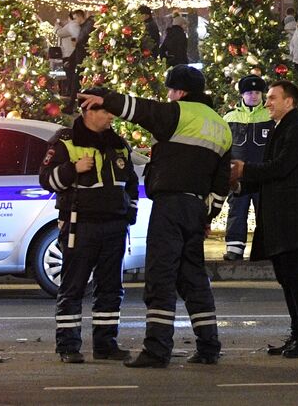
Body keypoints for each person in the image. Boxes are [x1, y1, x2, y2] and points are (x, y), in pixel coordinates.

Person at [78, 65, 232, 368]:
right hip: (194, 210)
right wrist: (207, 214)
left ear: (180, 91)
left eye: (171, 90)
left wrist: (104, 98)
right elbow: (222, 184)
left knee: (161, 277)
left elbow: (138, 109)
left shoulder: (179, 113)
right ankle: (208, 346)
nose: (169, 95)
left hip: (170, 206)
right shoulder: (221, 127)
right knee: (194, 280)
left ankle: (157, 350)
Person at [39, 97, 138, 363]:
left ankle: (106, 345)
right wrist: (73, 169)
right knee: (73, 287)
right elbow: (46, 180)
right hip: (80, 225)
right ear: (88, 112)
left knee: (110, 289)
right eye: (106, 112)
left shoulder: (118, 143)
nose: (111, 118)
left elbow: (131, 183)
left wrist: (130, 213)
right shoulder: (65, 141)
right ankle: (68, 347)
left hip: (114, 226)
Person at [232, 80, 298, 359]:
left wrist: (245, 170)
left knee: (295, 278)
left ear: (289, 102)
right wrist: (241, 183)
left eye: (273, 98)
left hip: (291, 216)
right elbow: (272, 173)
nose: (267, 102)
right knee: (286, 277)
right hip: (279, 215)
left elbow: (281, 167)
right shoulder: (282, 128)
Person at [221, 75, 273, 261]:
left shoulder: (269, 116)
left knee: (266, 213)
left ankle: (266, 248)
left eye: (257, 92)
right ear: (242, 94)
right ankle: (234, 248)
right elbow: (223, 146)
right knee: (237, 211)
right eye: (249, 92)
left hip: (263, 176)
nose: (254, 96)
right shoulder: (229, 117)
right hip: (238, 177)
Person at [56, 9, 83, 99]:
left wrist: (57, 26)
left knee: (67, 74)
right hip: (73, 53)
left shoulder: (71, 25)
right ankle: (68, 92)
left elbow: (59, 33)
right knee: (71, 74)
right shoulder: (76, 26)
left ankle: (66, 92)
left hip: (68, 54)